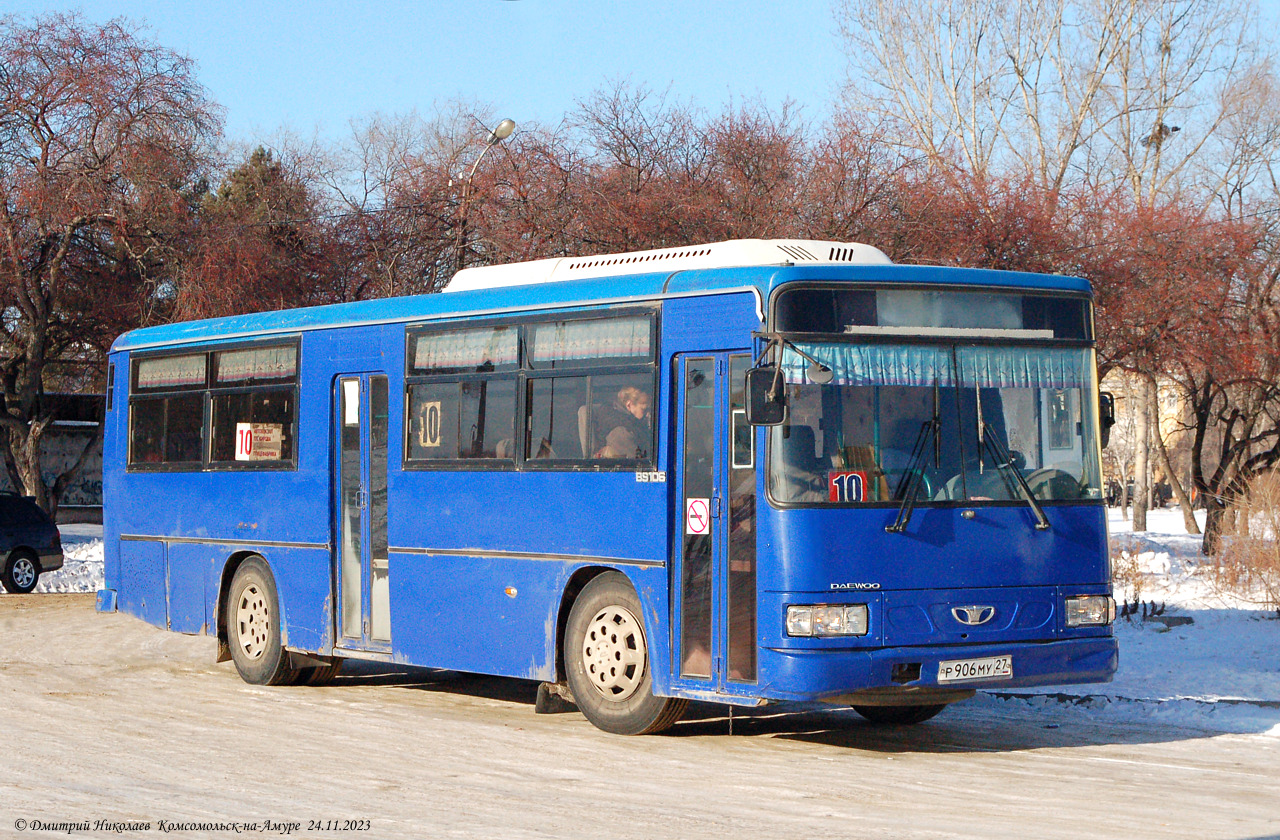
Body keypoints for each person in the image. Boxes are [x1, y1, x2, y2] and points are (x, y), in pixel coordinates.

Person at [592, 385, 651, 459]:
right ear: (629, 405)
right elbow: (638, 462)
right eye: (644, 410)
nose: (648, 414)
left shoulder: (634, 425)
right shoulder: (622, 432)